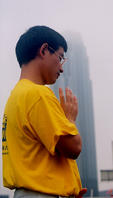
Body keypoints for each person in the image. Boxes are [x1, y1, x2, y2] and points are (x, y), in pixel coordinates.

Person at [2, 26, 87, 198]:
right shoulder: (39, 94)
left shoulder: (15, 97)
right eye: (60, 57)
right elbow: (73, 147)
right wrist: (69, 119)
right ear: (44, 50)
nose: (62, 68)